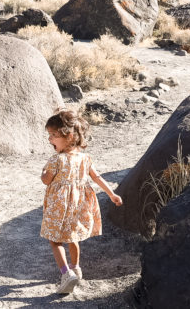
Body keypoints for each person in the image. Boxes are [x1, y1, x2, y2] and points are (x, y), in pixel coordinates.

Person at [40, 109, 122, 295]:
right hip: (79, 204)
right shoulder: (85, 158)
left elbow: (46, 180)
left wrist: (44, 173)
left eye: (53, 135)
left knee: (55, 239)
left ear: (68, 136)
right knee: (73, 236)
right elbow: (97, 177)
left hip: (59, 205)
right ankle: (76, 267)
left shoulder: (57, 159)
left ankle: (66, 274)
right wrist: (112, 194)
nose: (50, 139)